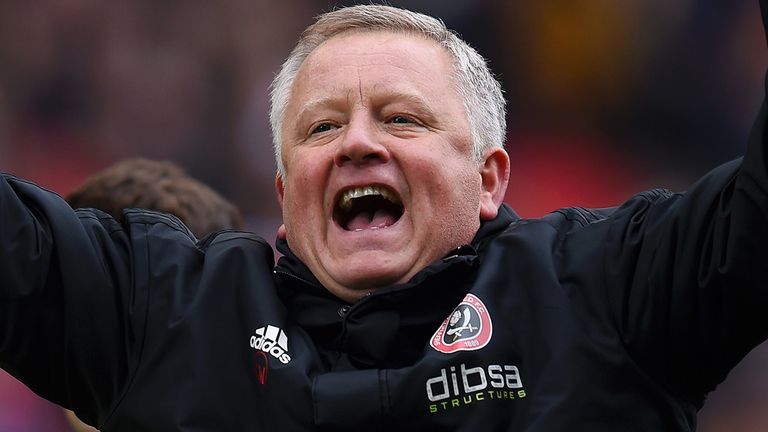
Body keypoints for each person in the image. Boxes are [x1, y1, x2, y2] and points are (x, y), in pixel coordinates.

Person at [0, 4, 766, 431]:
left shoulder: (609, 290)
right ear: (284, 189)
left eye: (401, 119)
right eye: (322, 128)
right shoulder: (163, 313)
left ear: (490, 176)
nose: (358, 142)